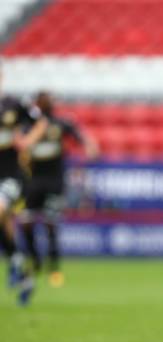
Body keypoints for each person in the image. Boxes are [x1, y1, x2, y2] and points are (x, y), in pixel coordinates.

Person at [20, 91, 98, 287]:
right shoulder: (29, 125)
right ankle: (35, 260)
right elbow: (21, 148)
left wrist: (89, 146)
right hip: (33, 182)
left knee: (50, 223)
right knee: (27, 222)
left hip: (54, 181)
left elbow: (81, 137)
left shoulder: (60, 124)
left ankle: (53, 268)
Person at [0, 64, 48, 305]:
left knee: (0, 209)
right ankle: (21, 269)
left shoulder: (13, 105)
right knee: (4, 221)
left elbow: (41, 123)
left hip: (9, 175)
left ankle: (17, 264)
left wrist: (27, 141)